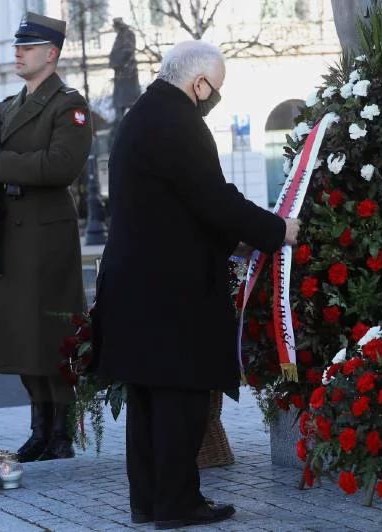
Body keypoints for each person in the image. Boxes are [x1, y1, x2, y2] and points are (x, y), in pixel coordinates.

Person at [95, 40, 300, 528]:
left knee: (148, 401)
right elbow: (213, 197)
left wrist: (234, 238)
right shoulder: (178, 121)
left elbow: (180, 201)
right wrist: (275, 230)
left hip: (138, 284)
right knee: (181, 400)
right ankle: (178, 503)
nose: (214, 97)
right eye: (216, 88)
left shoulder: (144, 113)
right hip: (172, 290)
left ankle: (147, 501)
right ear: (200, 82)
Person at [0, 12, 92, 462]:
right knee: (19, 337)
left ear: (51, 54)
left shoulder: (68, 105)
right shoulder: (11, 106)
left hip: (44, 236)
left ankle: (61, 430)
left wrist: (3, 164)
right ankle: (39, 426)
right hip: (9, 235)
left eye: (28, 47)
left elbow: (60, 166)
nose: (18, 53)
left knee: (51, 337)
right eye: (17, 46)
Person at [109, 17, 141, 118]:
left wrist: (116, 62)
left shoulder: (128, 35)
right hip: (121, 74)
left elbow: (127, 52)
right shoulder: (120, 36)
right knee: (119, 103)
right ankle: (120, 124)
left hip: (128, 73)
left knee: (130, 101)